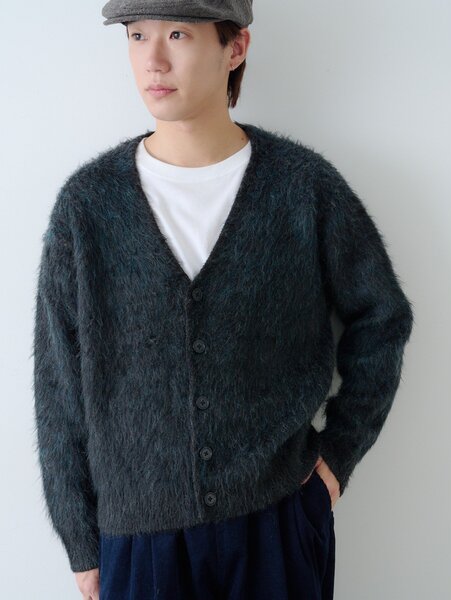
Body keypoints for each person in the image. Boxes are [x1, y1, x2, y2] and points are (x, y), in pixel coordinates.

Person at [32, 1, 414, 599]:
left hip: (276, 523)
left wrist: (336, 461)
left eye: (178, 34)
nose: (153, 61)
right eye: (137, 36)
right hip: (137, 542)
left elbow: (382, 318)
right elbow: (59, 386)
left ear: (235, 48)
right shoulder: (87, 208)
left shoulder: (302, 189)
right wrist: (80, 541)